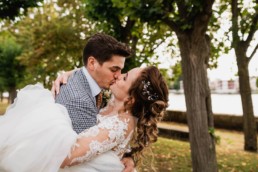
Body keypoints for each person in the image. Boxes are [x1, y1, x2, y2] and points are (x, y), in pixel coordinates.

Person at [0, 66, 169, 172]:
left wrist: (51, 117)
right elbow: (92, 74)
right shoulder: (104, 102)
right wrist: (68, 74)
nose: (118, 75)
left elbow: (66, 156)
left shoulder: (120, 125)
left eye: (125, 78)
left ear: (130, 99)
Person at [52, 33, 135, 171]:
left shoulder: (87, 81)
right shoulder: (79, 101)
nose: (118, 76)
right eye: (114, 69)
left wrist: (128, 155)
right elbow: (89, 155)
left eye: (120, 70)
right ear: (92, 63)